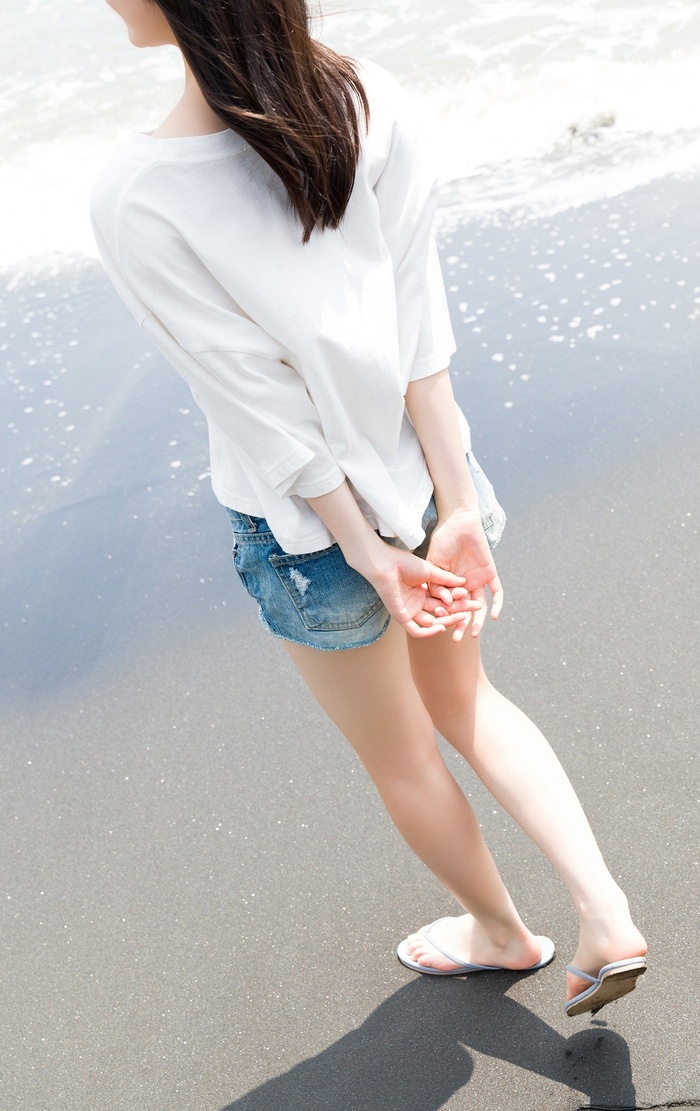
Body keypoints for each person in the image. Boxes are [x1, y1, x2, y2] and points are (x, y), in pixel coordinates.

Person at [93, 0, 646, 1018]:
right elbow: (418, 327)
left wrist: (365, 551)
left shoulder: (138, 194)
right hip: (426, 479)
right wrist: (455, 503)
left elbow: (263, 417)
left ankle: (500, 933)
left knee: (400, 754)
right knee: (469, 703)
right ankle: (604, 912)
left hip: (310, 536)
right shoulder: (364, 98)